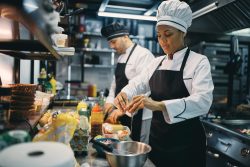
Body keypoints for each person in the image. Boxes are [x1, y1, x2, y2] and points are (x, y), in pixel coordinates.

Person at [114, 1, 214, 167]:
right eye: (159, 35)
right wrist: (125, 93)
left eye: (168, 34)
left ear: (183, 32)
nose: (162, 41)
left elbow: (203, 101)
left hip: (186, 144)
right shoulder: (157, 62)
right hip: (158, 140)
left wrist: (159, 105)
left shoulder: (199, 62)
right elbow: (138, 83)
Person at [101, 22, 155, 142]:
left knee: (136, 146)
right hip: (121, 112)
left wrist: (123, 110)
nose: (111, 46)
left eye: (113, 42)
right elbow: (115, 84)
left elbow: (145, 90)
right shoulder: (121, 57)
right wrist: (109, 102)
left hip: (139, 115)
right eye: (109, 42)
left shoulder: (143, 55)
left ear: (125, 36)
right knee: (122, 143)